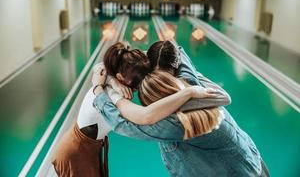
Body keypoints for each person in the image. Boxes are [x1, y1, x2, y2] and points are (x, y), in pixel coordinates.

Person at [92, 40, 270, 176]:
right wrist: (127, 68)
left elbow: (125, 124)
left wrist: (102, 89)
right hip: (251, 159)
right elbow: (173, 48)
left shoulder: (172, 122)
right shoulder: (187, 78)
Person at [51, 63, 219, 177]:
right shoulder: (110, 94)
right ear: (120, 76)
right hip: (74, 153)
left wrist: (111, 81)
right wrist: (187, 93)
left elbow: (101, 66)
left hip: (88, 147)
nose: (139, 86)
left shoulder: (110, 83)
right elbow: (145, 116)